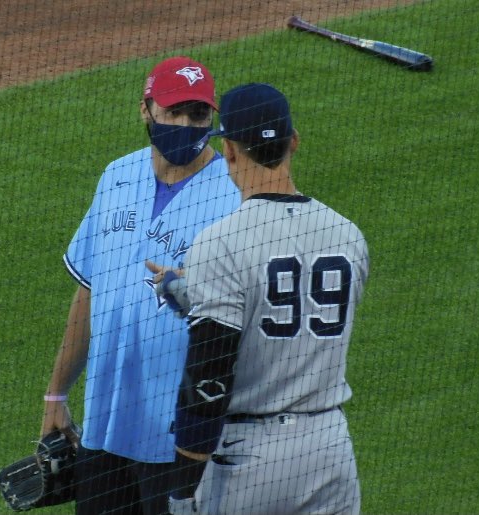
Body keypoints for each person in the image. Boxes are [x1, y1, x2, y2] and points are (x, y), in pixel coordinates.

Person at [40, 56, 241, 515]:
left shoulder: (233, 196)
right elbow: (90, 291)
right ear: (146, 110)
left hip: (184, 436)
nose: (188, 125)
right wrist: (56, 393)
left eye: (199, 115)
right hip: (105, 429)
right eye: (174, 112)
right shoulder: (117, 177)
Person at [165, 83, 369, 514]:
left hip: (252, 463)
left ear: (232, 152)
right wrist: (198, 293)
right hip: (331, 447)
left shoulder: (219, 244)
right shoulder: (348, 235)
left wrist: (182, 490)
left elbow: (208, 379)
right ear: (294, 141)